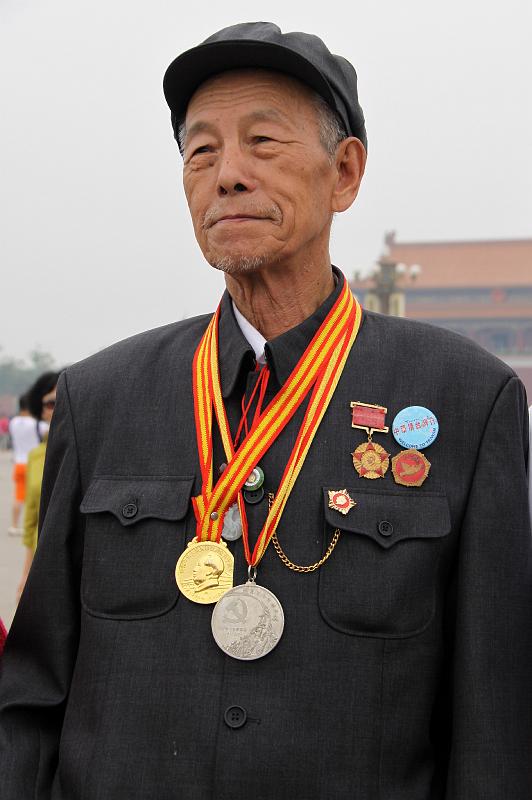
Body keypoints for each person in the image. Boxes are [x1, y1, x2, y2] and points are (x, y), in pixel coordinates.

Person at [0, 22, 531, 800]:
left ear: (344, 173)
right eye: (201, 151)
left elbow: (496, 725)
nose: (227, 175)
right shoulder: (101, 397)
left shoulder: (467, 399)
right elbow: (34, 695)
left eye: (263, 142)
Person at [16, 371, 61, 599]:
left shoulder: (96, 455)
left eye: (64, 398)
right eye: (52, 403)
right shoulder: (35, 457)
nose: (59, 407)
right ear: (41, 410)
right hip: (43, 567)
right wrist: (25, 575)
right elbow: (31, 521)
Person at [7, 393, 47, 535]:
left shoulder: (13, 422)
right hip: (34, 464)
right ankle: (36, 526)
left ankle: (14, 525)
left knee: (18, 496)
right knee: (37, 498)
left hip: (18, 463)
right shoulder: (38, 424)